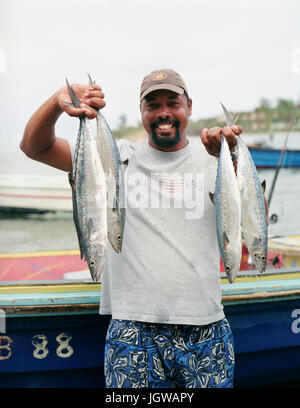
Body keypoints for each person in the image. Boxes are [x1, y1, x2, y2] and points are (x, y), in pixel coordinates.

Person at [21, 69, 244, 388]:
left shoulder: (214, 157)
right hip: (131, 331)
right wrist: (58, 102)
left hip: (205, 327)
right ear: (142, 112)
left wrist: (232, 159)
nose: (163, 112)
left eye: (173, 102)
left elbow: (252, 219)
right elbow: (34, 146)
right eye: (152, 104)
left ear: (190, 106)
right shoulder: (112, 157)